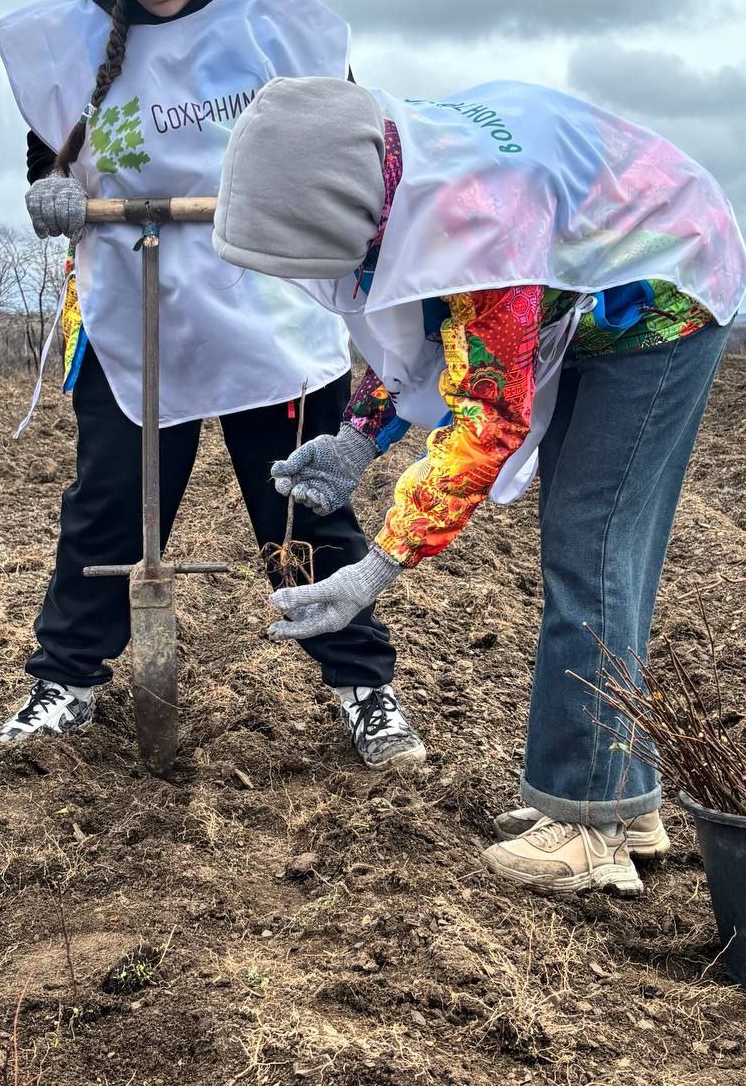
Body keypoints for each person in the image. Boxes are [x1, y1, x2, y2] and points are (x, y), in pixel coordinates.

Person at [212, 75, 746, 895]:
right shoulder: (403, 183)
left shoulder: (480, 217)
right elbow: (437, 337)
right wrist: (358, 439)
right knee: (596, 548)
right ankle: (621, 799)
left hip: (660, 296)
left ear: (345, 210)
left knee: (594, 545)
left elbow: (488, 412)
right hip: (596, 290)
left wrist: (374, 568)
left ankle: (587, 827)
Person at [0, 0, 426, 769]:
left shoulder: (275, 23)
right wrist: (51, 191)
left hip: (270, 301)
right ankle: (66, 682)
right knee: (108, 507)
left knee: (301, 504)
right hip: (135, 307)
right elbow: (52, 152)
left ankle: (364, 687)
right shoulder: (78, 41)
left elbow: (352, 143)